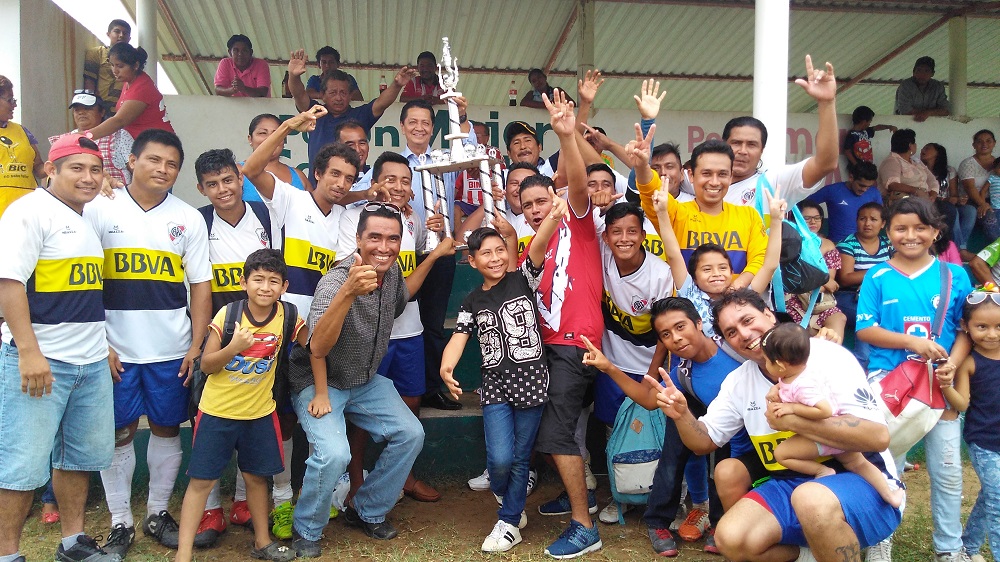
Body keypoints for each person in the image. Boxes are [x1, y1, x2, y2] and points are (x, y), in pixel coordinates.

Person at [654, 287, 901, 561]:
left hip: (859, 480)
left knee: (810, 498)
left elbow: (877, 437)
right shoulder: (739, 381)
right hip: (788, 483)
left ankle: (849, 540)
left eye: (747, 321)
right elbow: (704, 442)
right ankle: (811, 552)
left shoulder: (826, 356)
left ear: (769, 315)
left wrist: (793, 419)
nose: (744, 334)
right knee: (730, 539)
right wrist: (681, 414)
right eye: (731, 332)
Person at [85, 130, 211, 558]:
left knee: (164, 428)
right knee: (118, 434)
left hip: (170, 350)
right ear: (132, 161)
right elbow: (82, 281)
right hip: (114, 349)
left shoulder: (188, 218)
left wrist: (195, 345)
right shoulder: (100, 209)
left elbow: (199, 286)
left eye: (171, 164)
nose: (162, 169)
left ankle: (158, 512)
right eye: (154, 160)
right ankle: (120, 521)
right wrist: (98, 342)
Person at [0, 133, 117, 562]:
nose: (88, 178)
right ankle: (7, 553)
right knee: (20, 466)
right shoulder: (29, 213)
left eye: (94, 169)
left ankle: (73, 543)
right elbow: (8, 284)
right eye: (76, 168)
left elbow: (84, 293)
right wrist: (29, 352)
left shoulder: (86, 217)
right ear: (50, 169)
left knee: (78, 458)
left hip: (89, 362)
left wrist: (101, 347)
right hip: (42, 362)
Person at [285, 203, 424, 557]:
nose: (384, 246)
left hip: (364, 380)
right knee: (334, 454)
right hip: (321, 382)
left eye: (392, 238)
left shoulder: (391, 276)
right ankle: (307, 529)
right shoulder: (335, 281)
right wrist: (348, 293)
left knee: (411, 433)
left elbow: (400, 302)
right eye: (374, 237)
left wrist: (437, 254)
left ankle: (367, 509)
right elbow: (316, 346)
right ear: (358, 239)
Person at [439, 198, 563, 552]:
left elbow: (538, 245)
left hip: (532, 382)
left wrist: (552, 219)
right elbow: (459, 337)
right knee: (500, 460)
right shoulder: (471, 301)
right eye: (486, 254)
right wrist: (446, 366)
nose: (495, 258)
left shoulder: (523, 278)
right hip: (494, 386)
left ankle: (509, 522)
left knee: (522, 456)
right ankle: (509, 498)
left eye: (499, 250)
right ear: (472, 261)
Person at [856, 197, 973, 562]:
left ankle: (949, 549)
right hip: (892, 385)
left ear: (936, 231)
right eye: (901, 228)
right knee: (887, 468)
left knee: (949, 472)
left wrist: (950, 367)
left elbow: (966, 329)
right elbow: (865, 330)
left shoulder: (955, 275)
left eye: (920, 228)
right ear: (888, 231)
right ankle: (880, 541)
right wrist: (911, 342)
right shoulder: (876, 276)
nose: (911, 236)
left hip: (941, 387)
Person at [512, 90, 603, 558]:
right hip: (547, 346)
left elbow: (581, 183)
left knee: (555, 433)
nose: (535, 209)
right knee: (556, 429)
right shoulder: (534, 248)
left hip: (575, 344)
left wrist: (568, 133)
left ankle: (585, 526)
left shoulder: (580, 222)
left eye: (541, 200)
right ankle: (573, 495)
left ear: (555, 196)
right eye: (526, 205)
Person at [337, 151, 456, 505]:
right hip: (369, 333)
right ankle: (357, 479)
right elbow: (364, 276)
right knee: (361, 412)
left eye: (406, 181)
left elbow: (408, 282)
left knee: (412, 400)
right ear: (374, 182)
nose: (399, 187)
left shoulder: (413, 220)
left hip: (409, 329)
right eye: (391, 179)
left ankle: (403, 476)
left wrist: (432, 246)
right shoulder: (353, 218)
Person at [174, 249, 304, 562]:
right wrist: (235, 347)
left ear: (284, 286)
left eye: (274, 281)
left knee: (257, 478)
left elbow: (313, 342)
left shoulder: (287, 314)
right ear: (244, 282)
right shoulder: (229, 315)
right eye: (258, 279)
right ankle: (183, 553)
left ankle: (262, 542)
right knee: (202, 481)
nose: (265, 287)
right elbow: (206, 365)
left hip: (259, 414)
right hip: (217, 413)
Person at [193, 149, 291, 542]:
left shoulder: (266, 214)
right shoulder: (198, 222)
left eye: (228, 179)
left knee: (260, 418)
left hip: (266, 340)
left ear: (240, 178)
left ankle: (241, 502)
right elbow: (198, 285)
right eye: (212, 184)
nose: (222, 189)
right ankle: (210, 510)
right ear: (202, 188)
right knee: (211, 422)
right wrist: (200, 341)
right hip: (221, 338)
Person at [761, 323, 904, 508]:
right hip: (834, 434)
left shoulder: (804, 385)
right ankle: (890, 495)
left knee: (782, 454)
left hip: (825, 435)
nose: (765, 364)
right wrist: (776, 389)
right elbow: (786, 385)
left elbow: (824, 410)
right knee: (858, 463)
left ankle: (822, 471)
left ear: (780, 364)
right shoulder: (794, 374)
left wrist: (793, 409)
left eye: (766, 360)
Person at [392, 98, 476, 412]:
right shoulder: (393, 164)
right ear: (402, 126)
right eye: (412, 121)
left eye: (425, 122)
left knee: (434, 323)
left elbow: (468, 147)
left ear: (433, 128)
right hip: (400, 255)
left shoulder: (444, 160)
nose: (419, 127)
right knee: (397, 319)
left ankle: (429, 388)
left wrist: (462, 114)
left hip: (440, 252)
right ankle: (394, 388)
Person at [242, 106, 361, 315]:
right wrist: (287, 126)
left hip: (321, 318)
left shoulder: (344, 217)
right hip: (283, 317)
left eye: (349, 179)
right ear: (317, 173)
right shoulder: (290, 198)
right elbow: (251, 170)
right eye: (335, 174)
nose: (341, 184)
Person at [635, 135, 769, 289]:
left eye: (722, 174)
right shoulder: (676, 213)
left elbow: (761, 258)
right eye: (706, 173)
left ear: (731, 176)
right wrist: (642, 167)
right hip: (686, 311)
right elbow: (651, 192)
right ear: (691, 175)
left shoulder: (749, 216)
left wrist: (735, 288)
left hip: (735, 308)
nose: (714, 182)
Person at [721, 55, 840, 207]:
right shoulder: (696, 184)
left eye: (752, 145)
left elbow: (826, 163)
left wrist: (826, 103)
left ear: (762, 150)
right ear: (723, 145)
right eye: (736, 143)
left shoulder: (773, 183)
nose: (743, 151)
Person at [286, 48, 415, 173]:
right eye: (333, 92)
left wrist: (396, 85)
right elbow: (298, 94)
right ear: (323, 95)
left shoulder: (360, 115)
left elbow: (381, 103)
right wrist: (293, 76)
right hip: (319, 189)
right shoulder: (315, 112)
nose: (338, 97)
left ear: (350, 95)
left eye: (343, 93)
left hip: (356, 187)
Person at [955, 291, 1000, 562]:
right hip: (984, 444)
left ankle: (968, 548)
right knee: (997, 504)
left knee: (991, 498)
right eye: (982, 327)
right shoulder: (969, 363)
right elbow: (961, 404)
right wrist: (946, 385)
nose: (992, 334)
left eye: (999, 327)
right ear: (966, 326)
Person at [835, 202, 892, 370]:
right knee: (868, 311)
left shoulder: (888, 244)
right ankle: (862, 362)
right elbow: (845, 278)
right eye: (862, 219)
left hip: (880, 295)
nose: (867, 223)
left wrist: (870, 282)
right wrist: (877, 273)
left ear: (882, 224)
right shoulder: (848, 244)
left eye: (873, 219)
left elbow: (898, 271)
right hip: (848, 297)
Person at [86, 43, 174, 141]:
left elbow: (119, 121)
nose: (114, 70)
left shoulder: (142, 87)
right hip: (142, 143)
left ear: (135, 65)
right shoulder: (129, 82)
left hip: (157, 144)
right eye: (112, 65)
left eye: (120, 66)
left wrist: (86, 136)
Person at [785, 201, 847, 339]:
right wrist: (822, 281)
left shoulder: (828, 245)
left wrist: (820, 282)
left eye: (817, 218)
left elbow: (828, 284)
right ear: (796, 220)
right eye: (806, 218)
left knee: (839, 318)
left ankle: (832, 358)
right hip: (791, 300)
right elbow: (793, 278)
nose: (813, 222)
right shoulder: (787, 242)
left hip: (818, 300)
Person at [49, 90, 133, 187]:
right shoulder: (63, 141)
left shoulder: (119, 136)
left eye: (87, 108)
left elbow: (136, 169)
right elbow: (50, 175)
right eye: (77, 110)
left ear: (102, 112)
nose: (81, 112)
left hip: (115, 197)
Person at [922, 142, 975, 261]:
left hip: (948, 203)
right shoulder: (919, 169)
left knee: (970, 210)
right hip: (932, 204)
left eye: (927, 148)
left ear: (938, 153)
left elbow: (954, 193)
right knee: (950, 209)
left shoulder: (949, 170)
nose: (922, 150)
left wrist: (959, 199)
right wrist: (946, 200)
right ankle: (959, 250)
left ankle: (962, 246)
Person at [805, 160, 881, 243]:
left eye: (868, 187)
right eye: (861, 185)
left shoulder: (874, 193)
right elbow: (802, 206)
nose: (864, 190)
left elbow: (881, 218)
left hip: (865, 247)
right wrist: (814, 233)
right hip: (837, 245)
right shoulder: (832, 191)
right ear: (851, 178)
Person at [239, 113, 310, 202]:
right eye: (262, 133)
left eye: (276, 134)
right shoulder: (236, 171)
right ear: (250, 139)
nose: (270, 139)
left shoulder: (299, 176)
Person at [0, 75, 43, 216]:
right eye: (10, 100)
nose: (14, 105)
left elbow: (39, 167)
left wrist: (60, 162)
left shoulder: (23, 131)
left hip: (28, 210)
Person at [877, 128, 938, 204]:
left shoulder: (916, 161)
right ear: (910, 146)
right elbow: (892, 185)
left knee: (948, 208)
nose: (916, 145)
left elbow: (931, 179)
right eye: (914, 143)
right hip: (906, 201)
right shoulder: (892, 161)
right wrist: (916, 191)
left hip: (924, 198)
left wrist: (933, 195)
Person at [83, 19, 131, 111]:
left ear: (129, 38)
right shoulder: (96, 53)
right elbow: (89, 81)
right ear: (108, 34)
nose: (121, 35)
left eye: (125, 33)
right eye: (117, 31)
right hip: (101, 108)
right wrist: (91, 107)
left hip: (125, 110)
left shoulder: (133, 60)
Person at [959, 130, 998, 240]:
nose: (984, 144)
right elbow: (970, 188)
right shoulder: (968, 163)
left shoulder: (998, 164)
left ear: (994, 143)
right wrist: (983, 204)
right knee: (990, 218)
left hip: (994, 200)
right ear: (974, 145)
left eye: (988, 141)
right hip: (972, 201)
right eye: (980, 141)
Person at [895, 56, 950, 121]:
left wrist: (928, 113)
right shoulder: (906, 86)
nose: (922, 74)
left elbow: (946, 111)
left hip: (933, 126)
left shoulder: (938, 87)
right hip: (905, 124)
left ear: (932, 73)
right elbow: (905, 111)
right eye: (919, 70)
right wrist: (931, 113)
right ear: (913, 72)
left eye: (926, 71)